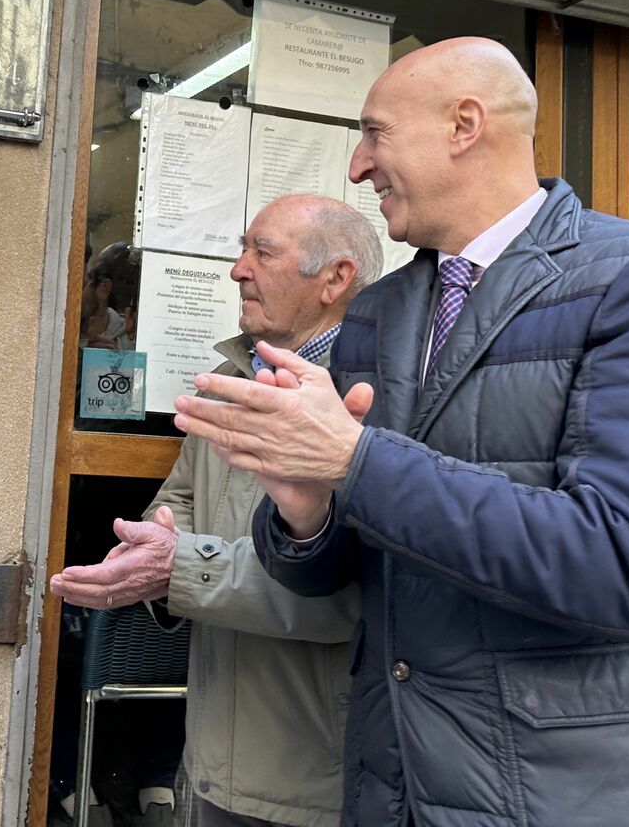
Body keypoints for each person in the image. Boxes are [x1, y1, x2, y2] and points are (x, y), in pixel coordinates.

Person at [174, 38, 629, 827]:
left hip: (584, 794)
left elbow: (627, 563)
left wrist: (355, 462)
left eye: (375, 133)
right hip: (401, 784)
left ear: (464, 125)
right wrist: (305, 512)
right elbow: (339, 576)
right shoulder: (379, 312)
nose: (357, 165)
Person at [53, 195, 382, 827]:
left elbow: (348, 588)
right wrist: (149, 544)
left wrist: (176, 569)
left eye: (262, 252)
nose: (238, 269)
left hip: (315, 785)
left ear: (335, 279)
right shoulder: (233, 373)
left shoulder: (370, 397)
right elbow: (178, 501)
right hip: (208, 761)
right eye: (242, 249)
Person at [82, 240, 141, 351]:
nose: (82, 292)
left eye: (89, 279)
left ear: (104, 288)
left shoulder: (129, 343)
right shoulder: (69, 331)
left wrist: (113, 361)